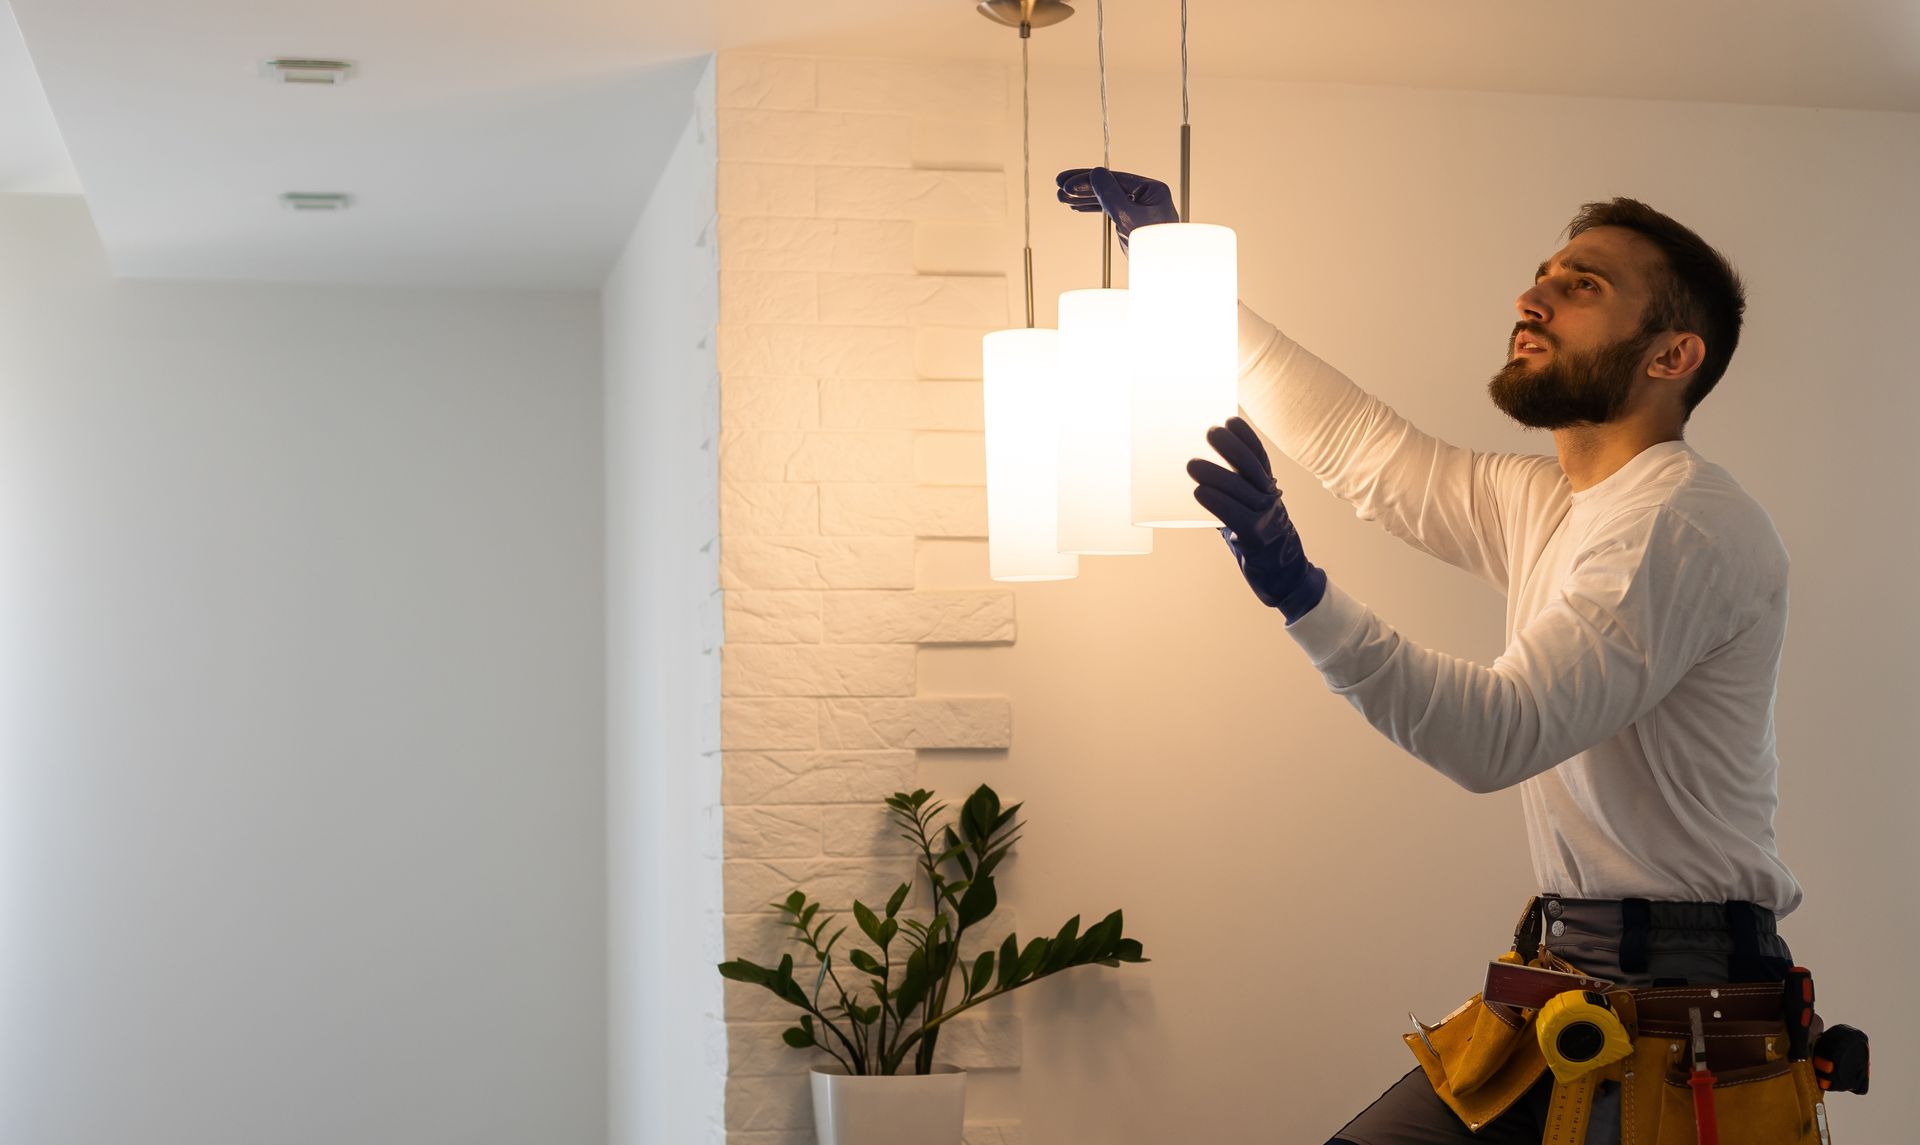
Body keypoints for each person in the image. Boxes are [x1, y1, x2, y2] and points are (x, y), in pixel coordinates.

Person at [1057, 169, 1822, 1144]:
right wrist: (1179, 278)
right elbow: (1360, 448)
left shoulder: (1677, 521)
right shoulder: (1554, 503)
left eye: (1583, 285)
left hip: (1687, 1032)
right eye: (1543, 275)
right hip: (1573, 993)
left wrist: (1303, 593)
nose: (1531, 297)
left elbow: (1495, 737)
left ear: (1672, 353)